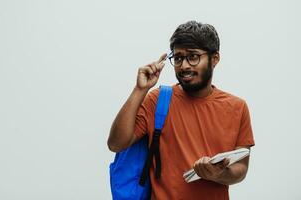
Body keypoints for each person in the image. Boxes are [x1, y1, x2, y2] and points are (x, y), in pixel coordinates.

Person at [107, 20, 255, 200]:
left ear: (214, 58)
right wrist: (140, 90)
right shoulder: (158, 100)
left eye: (193, 57)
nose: (184, 66)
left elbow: (241, 169)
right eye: (178, 58)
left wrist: (215, 174)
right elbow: (116, 144)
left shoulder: (237, 107)